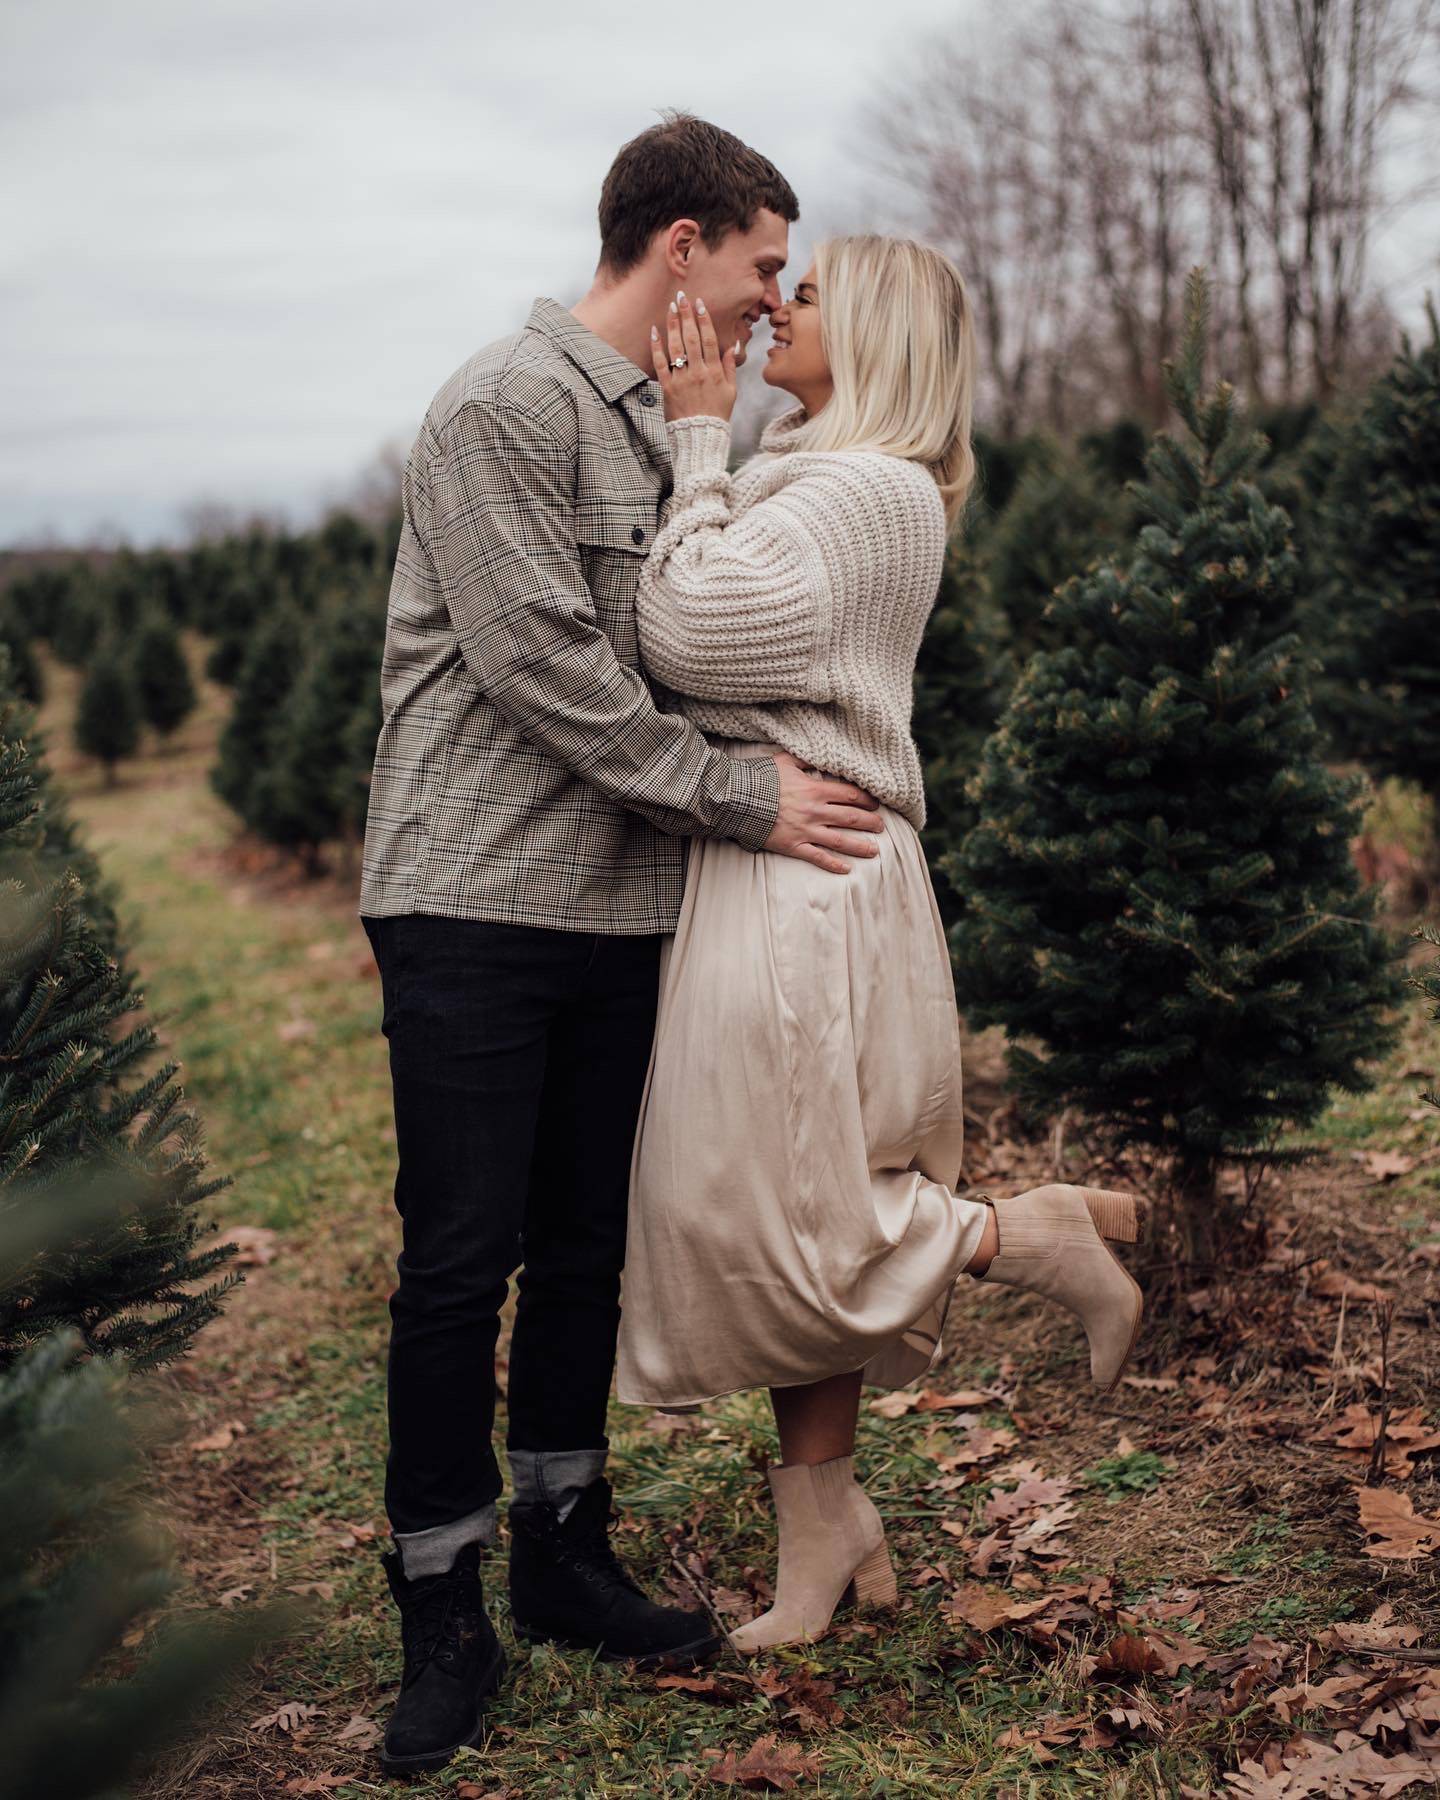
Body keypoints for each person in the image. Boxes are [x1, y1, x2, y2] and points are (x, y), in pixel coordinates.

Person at [356, 112, 891, 1776]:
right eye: (756, 267)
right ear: (679, 250)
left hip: (624, 900)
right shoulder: (500, 410)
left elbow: (709, 623)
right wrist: (743, 799)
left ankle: (562, 1558)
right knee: (463, 1256)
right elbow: (549, 673)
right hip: (475, 896)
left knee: (587, 1242)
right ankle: (441, 1610)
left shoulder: (683, 423)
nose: (768, 299)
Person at [614, 239, 1147, 1652]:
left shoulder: (871, 489)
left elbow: (689, 629)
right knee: (792, 1192)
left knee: (759, 1205)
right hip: (776, 859)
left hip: (810, 878)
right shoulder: (820, 475)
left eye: (816, 290)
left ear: (885, 334)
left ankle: (1020, 1238)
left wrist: (694, 435)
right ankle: (826, 1533)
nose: (783, 306)